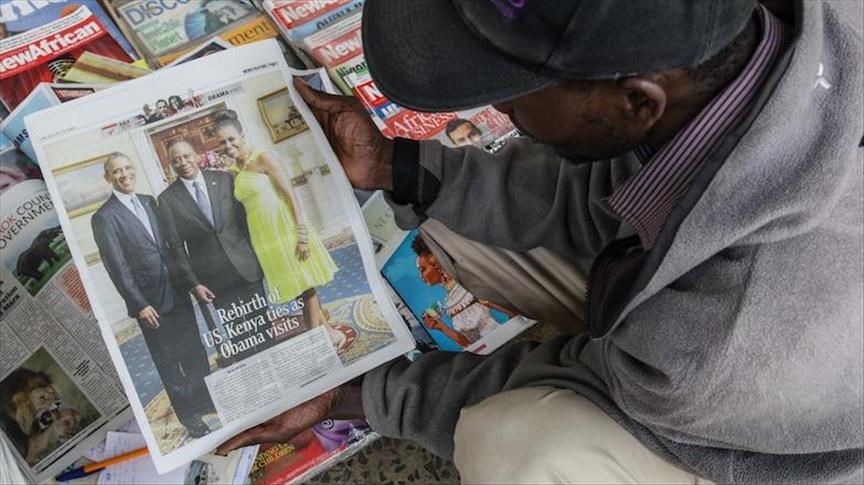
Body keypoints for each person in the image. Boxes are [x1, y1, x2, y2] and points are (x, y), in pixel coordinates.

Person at [218, 1, 863, 483]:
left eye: (512, 93)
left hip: (761, 436)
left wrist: (356, 395)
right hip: (724, 314)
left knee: (518, 449)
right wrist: (396, 165)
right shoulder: (722, 60)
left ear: (638, 102)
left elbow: (590, 382)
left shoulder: (713, 347)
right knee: (453, 226)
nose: (498, 112)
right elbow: (615, 177)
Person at [91, 152, 215, 439]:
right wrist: (139, 304)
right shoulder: (104, 217)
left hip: (177, 291)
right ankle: (189, 416)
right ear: (108, 178)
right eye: (117, 171)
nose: (124, 174)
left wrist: (190, 283)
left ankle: (204, 400)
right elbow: (117, 268)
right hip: (150, 304)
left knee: (194, 350)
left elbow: (169, 246)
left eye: (127, 168)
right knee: (169, 362)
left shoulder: (149, 201)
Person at [211, 110, 354, 354]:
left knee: (306, 288)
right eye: (222, 142)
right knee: (299, 289)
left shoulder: (264, 157)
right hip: (265, 239)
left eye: (231, 139)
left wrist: (301, 235)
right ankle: (331, 334)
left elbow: (291, 196)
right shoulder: (234, 171)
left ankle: (315, 343)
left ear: (242, 135)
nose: (228, 145)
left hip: (286, 230)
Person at [157, 139, 273, 364]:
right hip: (213, 278)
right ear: (171, 166)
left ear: (196, 155)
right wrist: (194, 284)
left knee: (263, 326)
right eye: (176, 160)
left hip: (246, 267)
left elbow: (244, 222)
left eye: (186, 156)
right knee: (238, 334)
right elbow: (176, 248)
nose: (183, 162)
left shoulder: (224, 179)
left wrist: (260, 258)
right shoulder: (167, 200)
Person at [413, 234, 511, 347]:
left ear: (434, 260)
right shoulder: (448, 302)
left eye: (423, 270)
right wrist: (441, 327)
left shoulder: (467, 285)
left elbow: (512, 312)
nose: (421, 276)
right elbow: (468, 345)